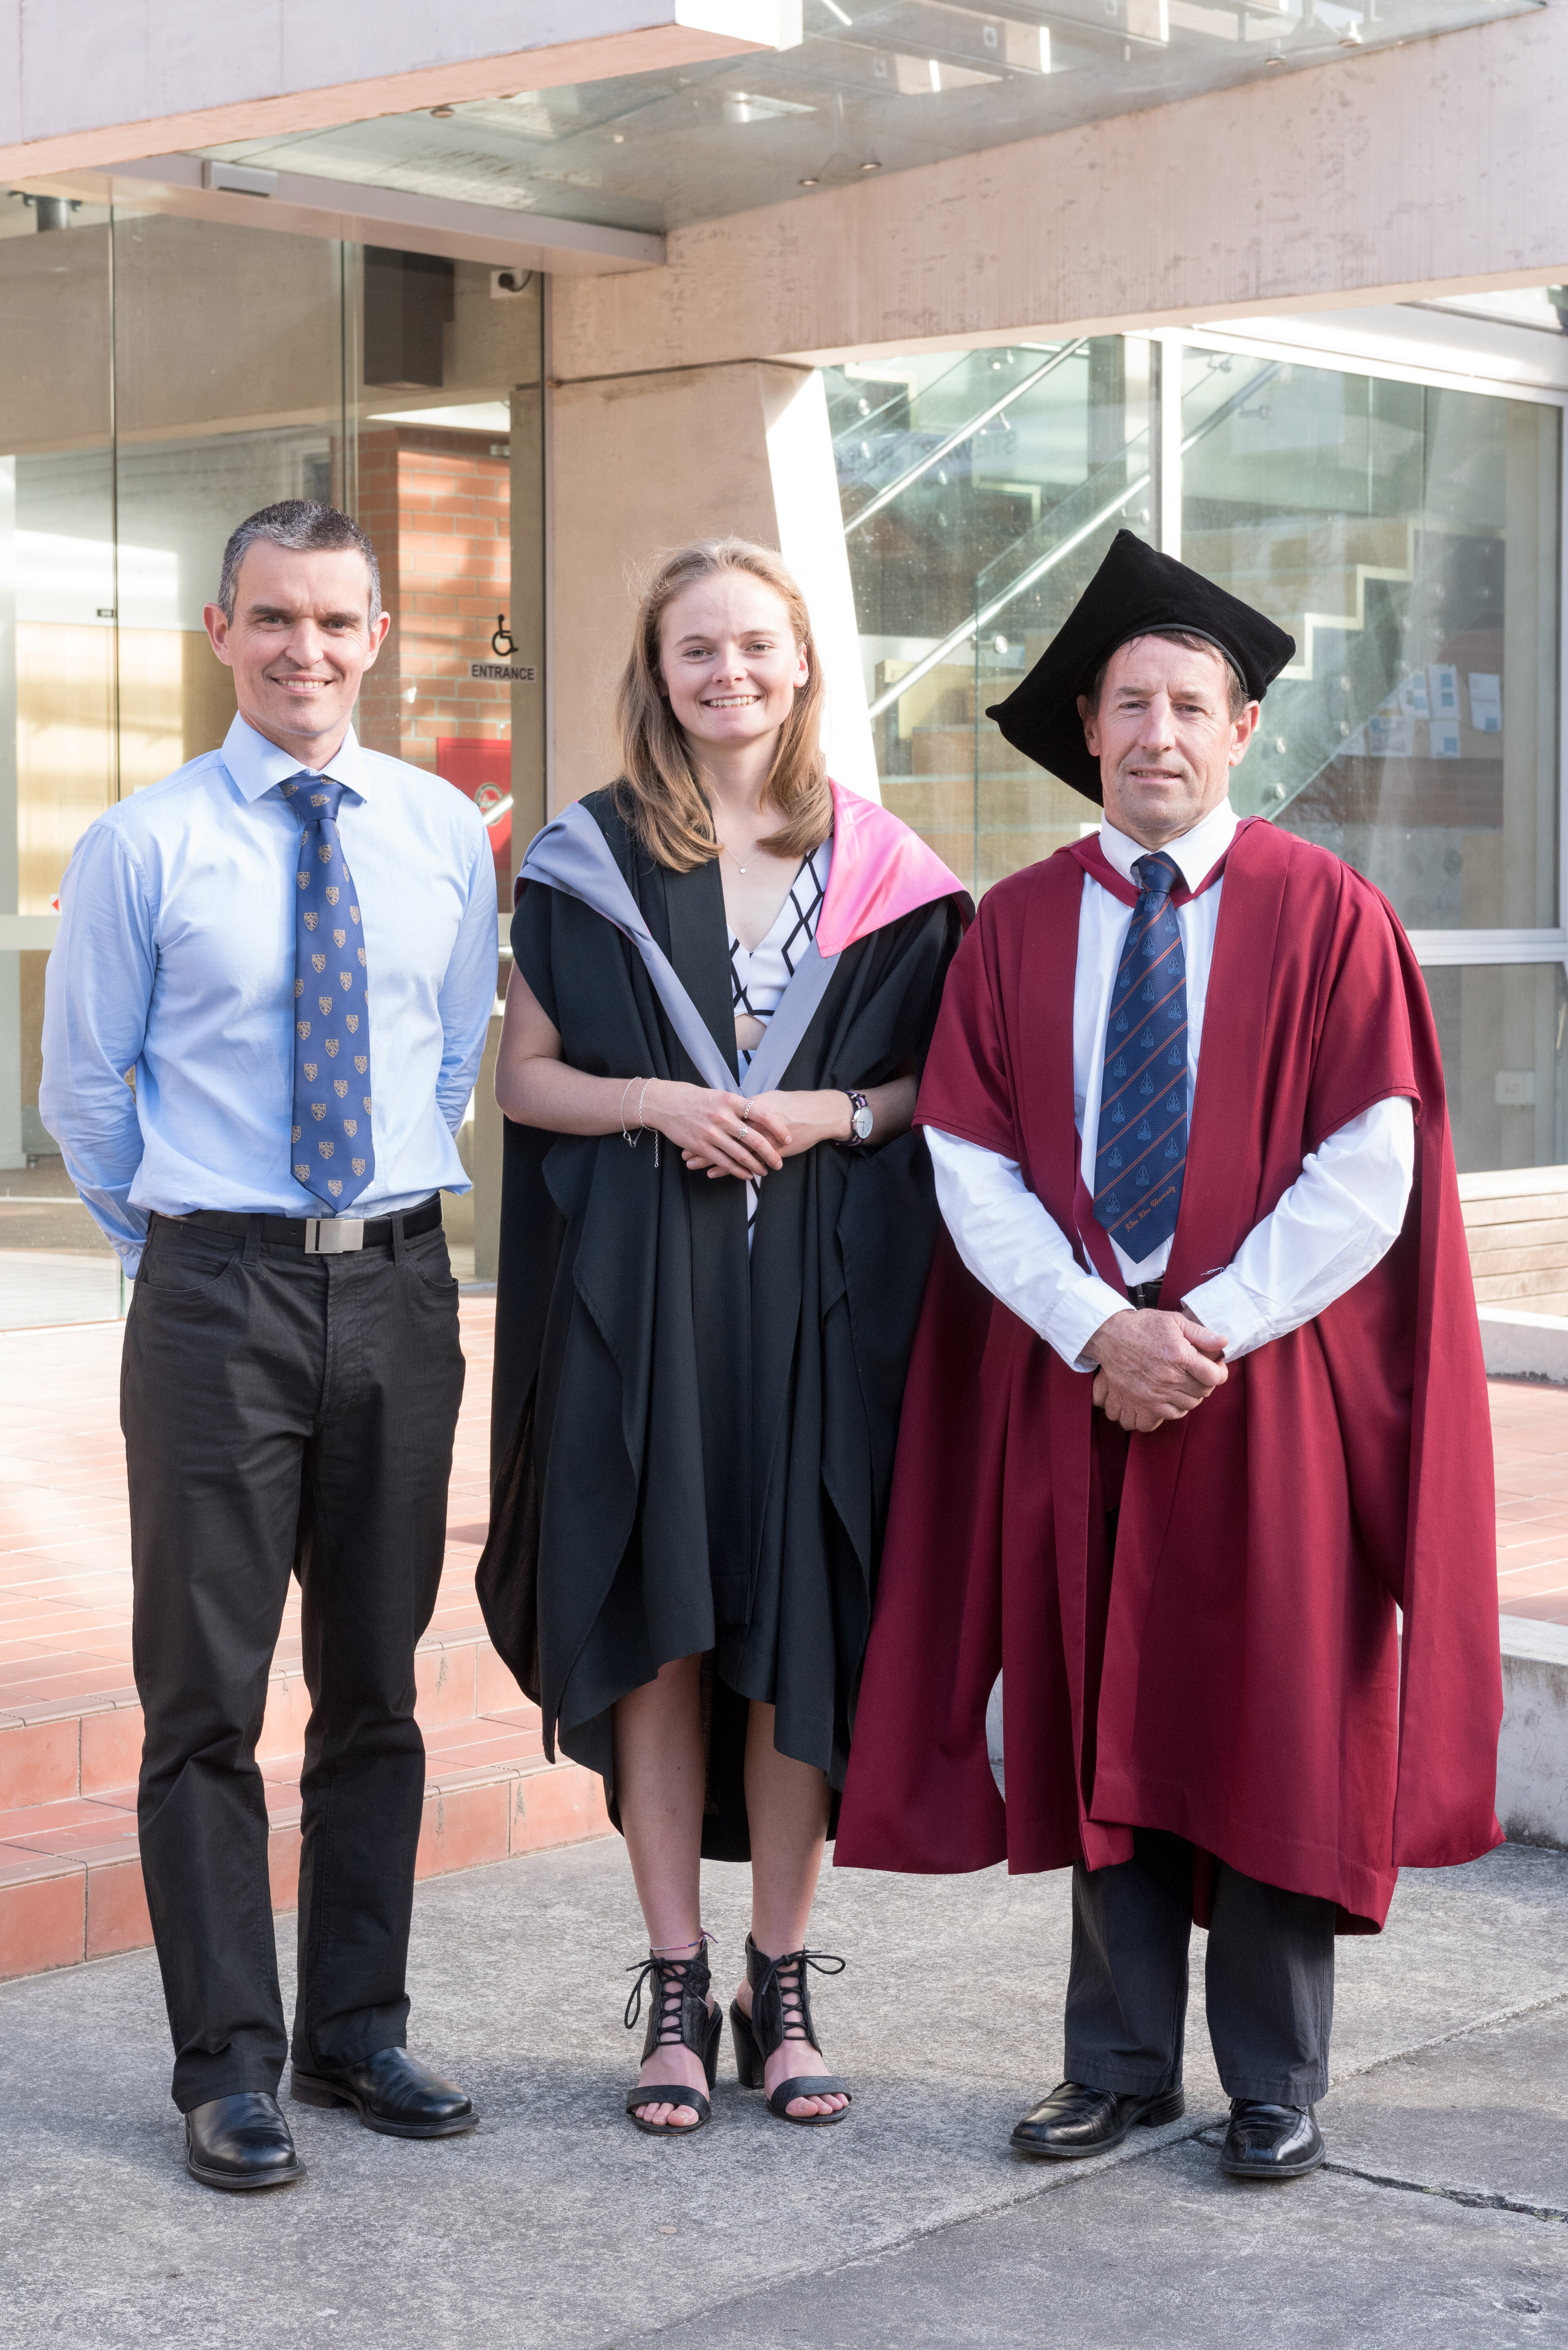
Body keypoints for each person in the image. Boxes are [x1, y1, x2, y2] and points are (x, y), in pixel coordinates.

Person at [836, 531, 1503, 2181]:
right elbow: (968, 1159)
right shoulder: (1015, 925)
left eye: (1189, 706)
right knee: (1096, 1711)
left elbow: (1372, 1164)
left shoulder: (1326, 912)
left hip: (1264, 1390)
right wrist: (1095, 1326)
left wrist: (1200, 1328)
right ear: (1087, 725)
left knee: (1276, 1709)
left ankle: (1274, 2076)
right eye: (1128, 703)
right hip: (1081, 1387)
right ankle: (1116, 2063)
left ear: (1243, 729)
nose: (1156, 734)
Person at [479, 536, 967, 2136]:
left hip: (820, 1302)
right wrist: (658, 1101)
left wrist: (833, 1111)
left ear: (803, 660)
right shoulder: (589, 859)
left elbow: (936, 1089)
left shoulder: (890, 869)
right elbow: (527, 1079)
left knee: (798, 1633)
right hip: (650, 1304)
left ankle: (785, 1977)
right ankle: (679, 1983)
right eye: (696, 648)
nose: (728, 672)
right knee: (666, 1621)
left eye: (755, 644)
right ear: (658, 670)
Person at [40, 501, 497, 2192]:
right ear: (220, 634)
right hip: (214, 1297)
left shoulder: (442, 831)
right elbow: (85, 1094)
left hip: (397, 1286)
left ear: (377, 637)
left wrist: (354, 1225)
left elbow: (445, 1055)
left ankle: (355, 2029)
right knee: (205, 1698)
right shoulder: (143, 843)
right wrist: (188, 1250)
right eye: (274, 618)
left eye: (336, 620)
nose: (307, 649)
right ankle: (227, 2064)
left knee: (377, 1684)